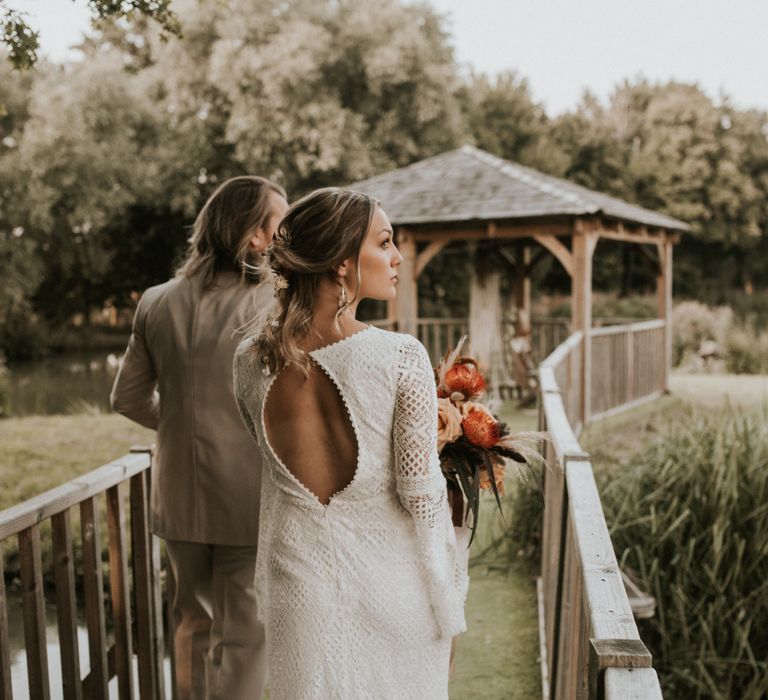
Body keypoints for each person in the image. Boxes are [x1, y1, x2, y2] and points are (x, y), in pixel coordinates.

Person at [233, 188, 468, 699]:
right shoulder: (400, 357)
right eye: (385, 243)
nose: (398, 257)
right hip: (397, 593)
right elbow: (423, 501)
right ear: (342, 263)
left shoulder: (250, 360)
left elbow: (269, 470)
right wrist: (449, 614)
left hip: (299, 596)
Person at [110, 175, 289, 700]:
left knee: (191, 624)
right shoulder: (276, 303)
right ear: (255, 236)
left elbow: (127, 398)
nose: (288, 233)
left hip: (180, 496)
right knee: (244, 636)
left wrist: (179, 423)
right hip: (249, 496)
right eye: (282, 223)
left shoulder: (156, 302)